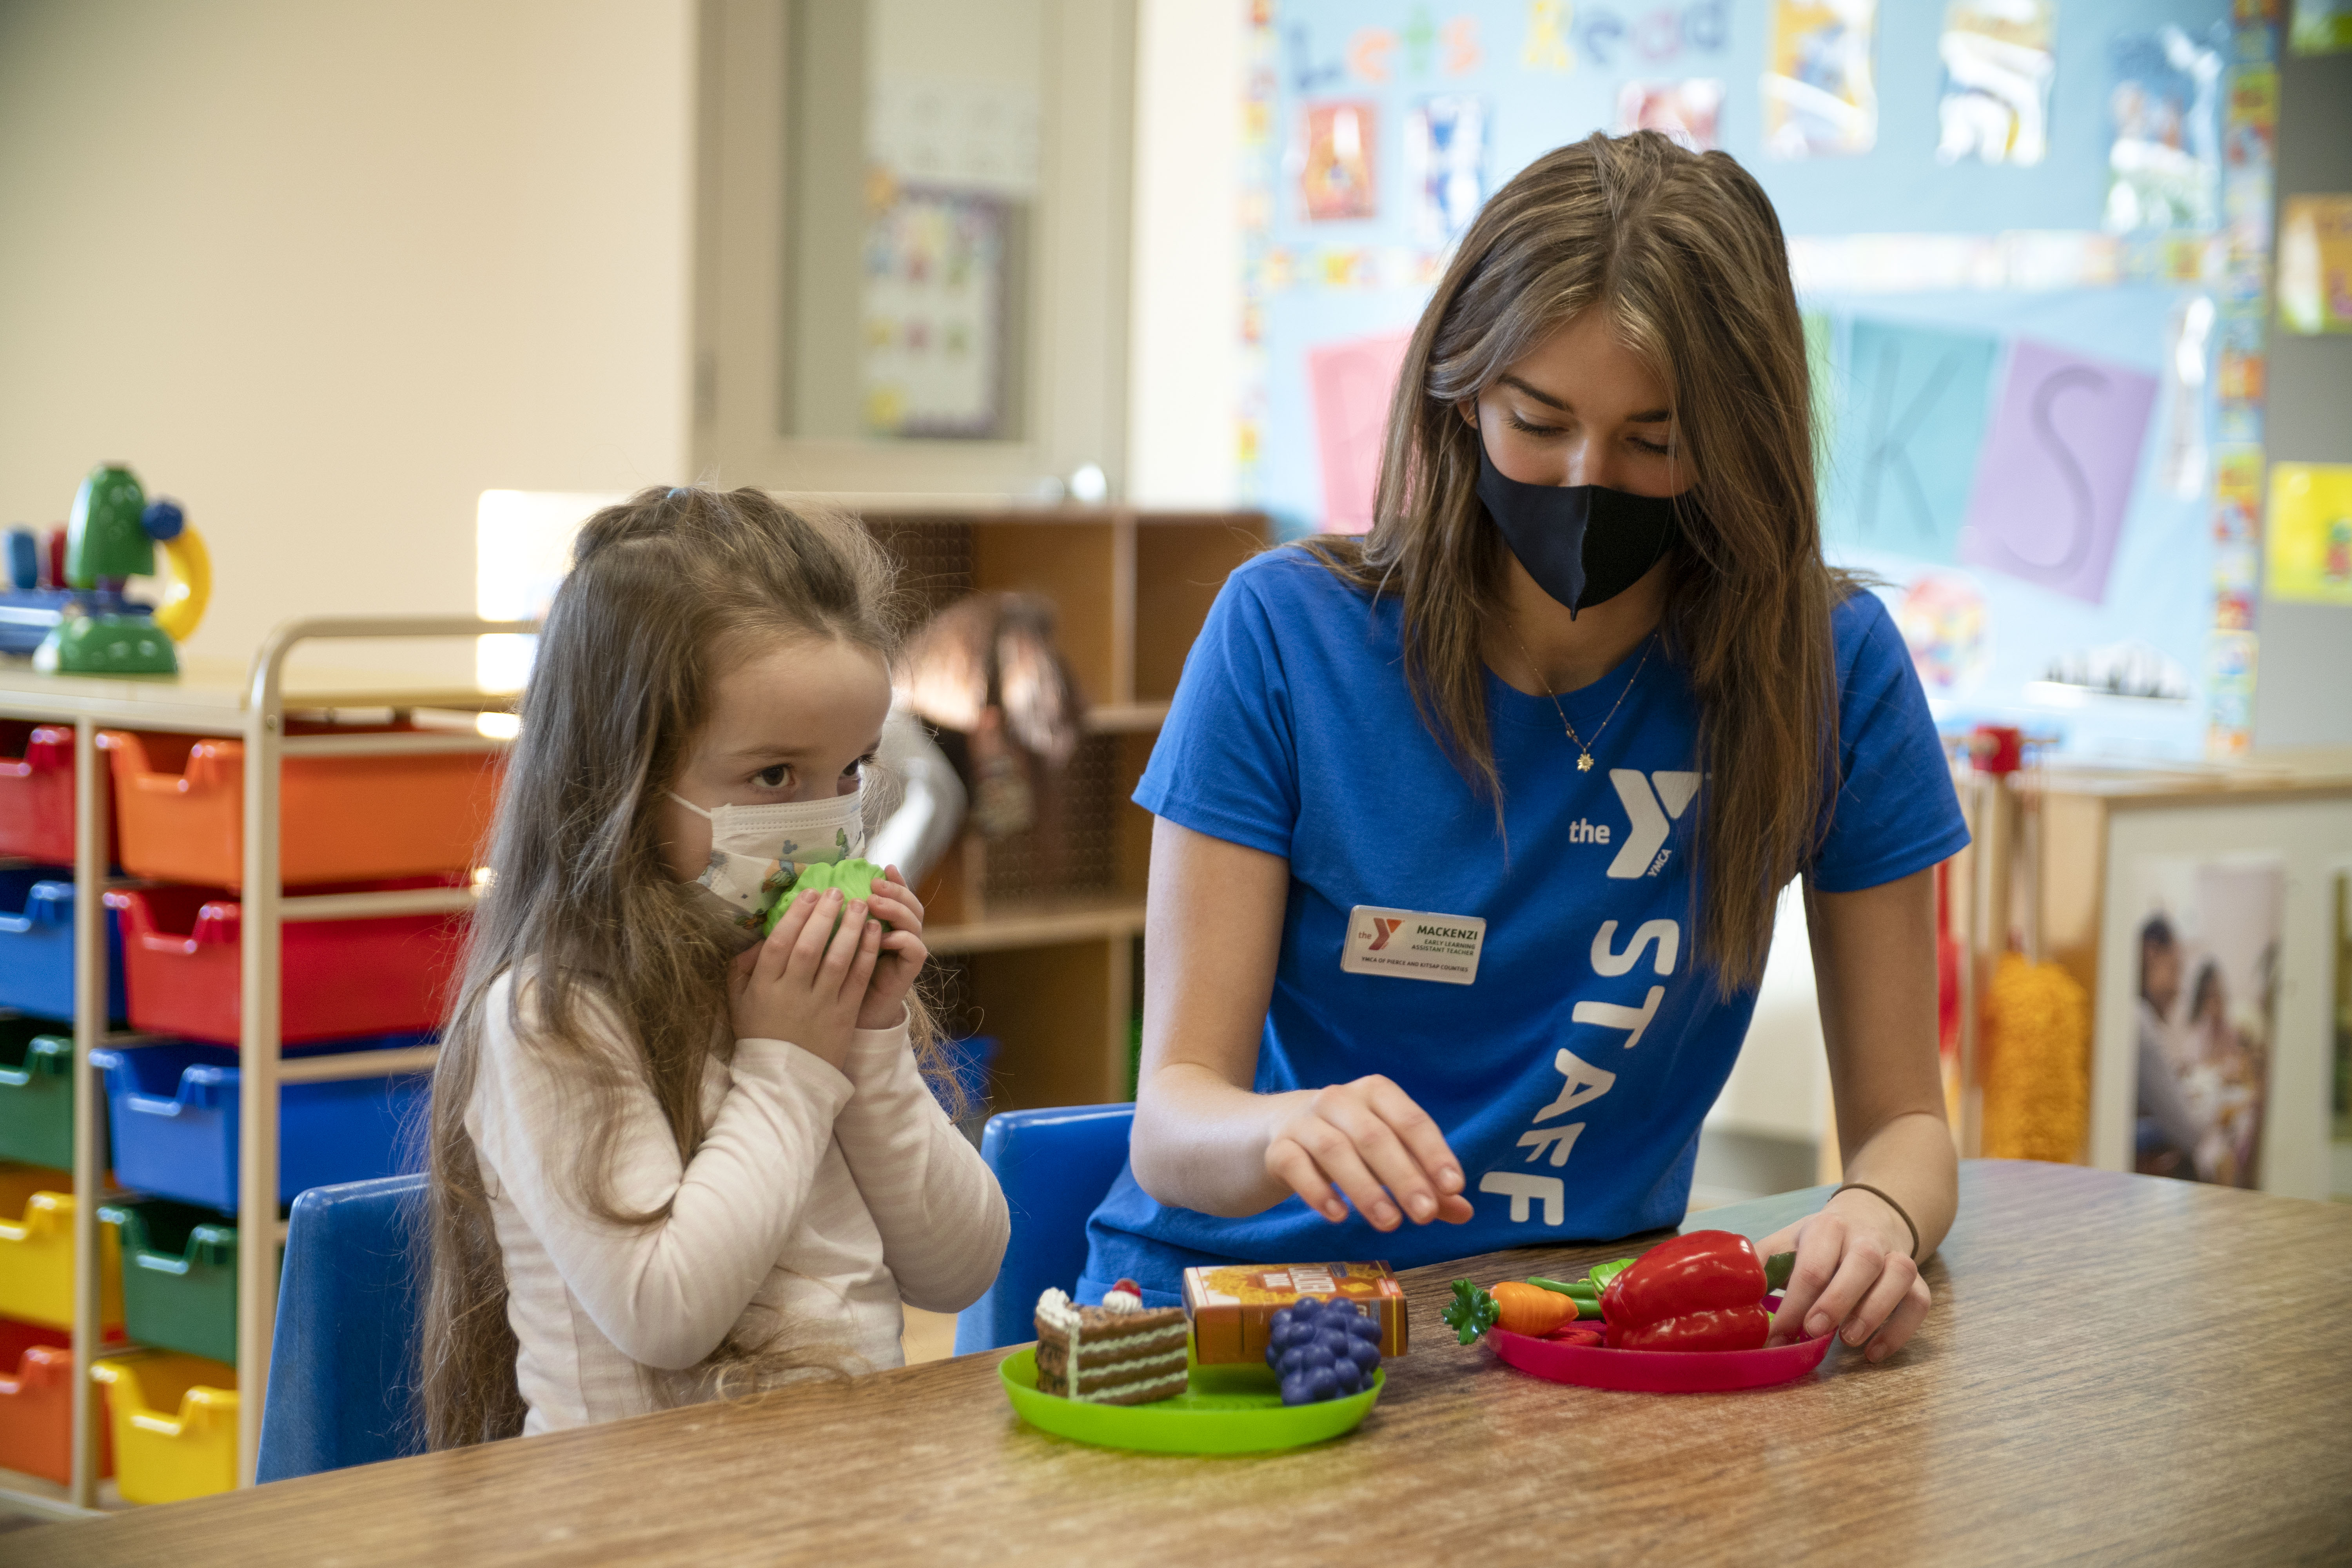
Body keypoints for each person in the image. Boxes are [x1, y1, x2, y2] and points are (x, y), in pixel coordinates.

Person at [1086, 132, 1967, 1363]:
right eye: (1537, 420)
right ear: (1461, 391)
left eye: (1656, 442)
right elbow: (1174, 1123)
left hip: (1572, 1339)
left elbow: (1908, 1125)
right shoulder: (1288, 634)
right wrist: (1282, 1131)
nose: (1585, 479)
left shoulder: (1832, 670)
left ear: (1746, 438)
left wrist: (1877, 1214)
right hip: (1237, 1313)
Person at [421, 486, 1008, 1445]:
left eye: (852, 771)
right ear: (621, 777)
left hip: (834, 1496)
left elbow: (960, 1266)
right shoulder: (552, 1012)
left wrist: (869, 1043)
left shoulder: (802, 992)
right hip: (638, 1519)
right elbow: (666, 1312)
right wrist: (791, 1064)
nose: (826, 821)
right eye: (775, 776)